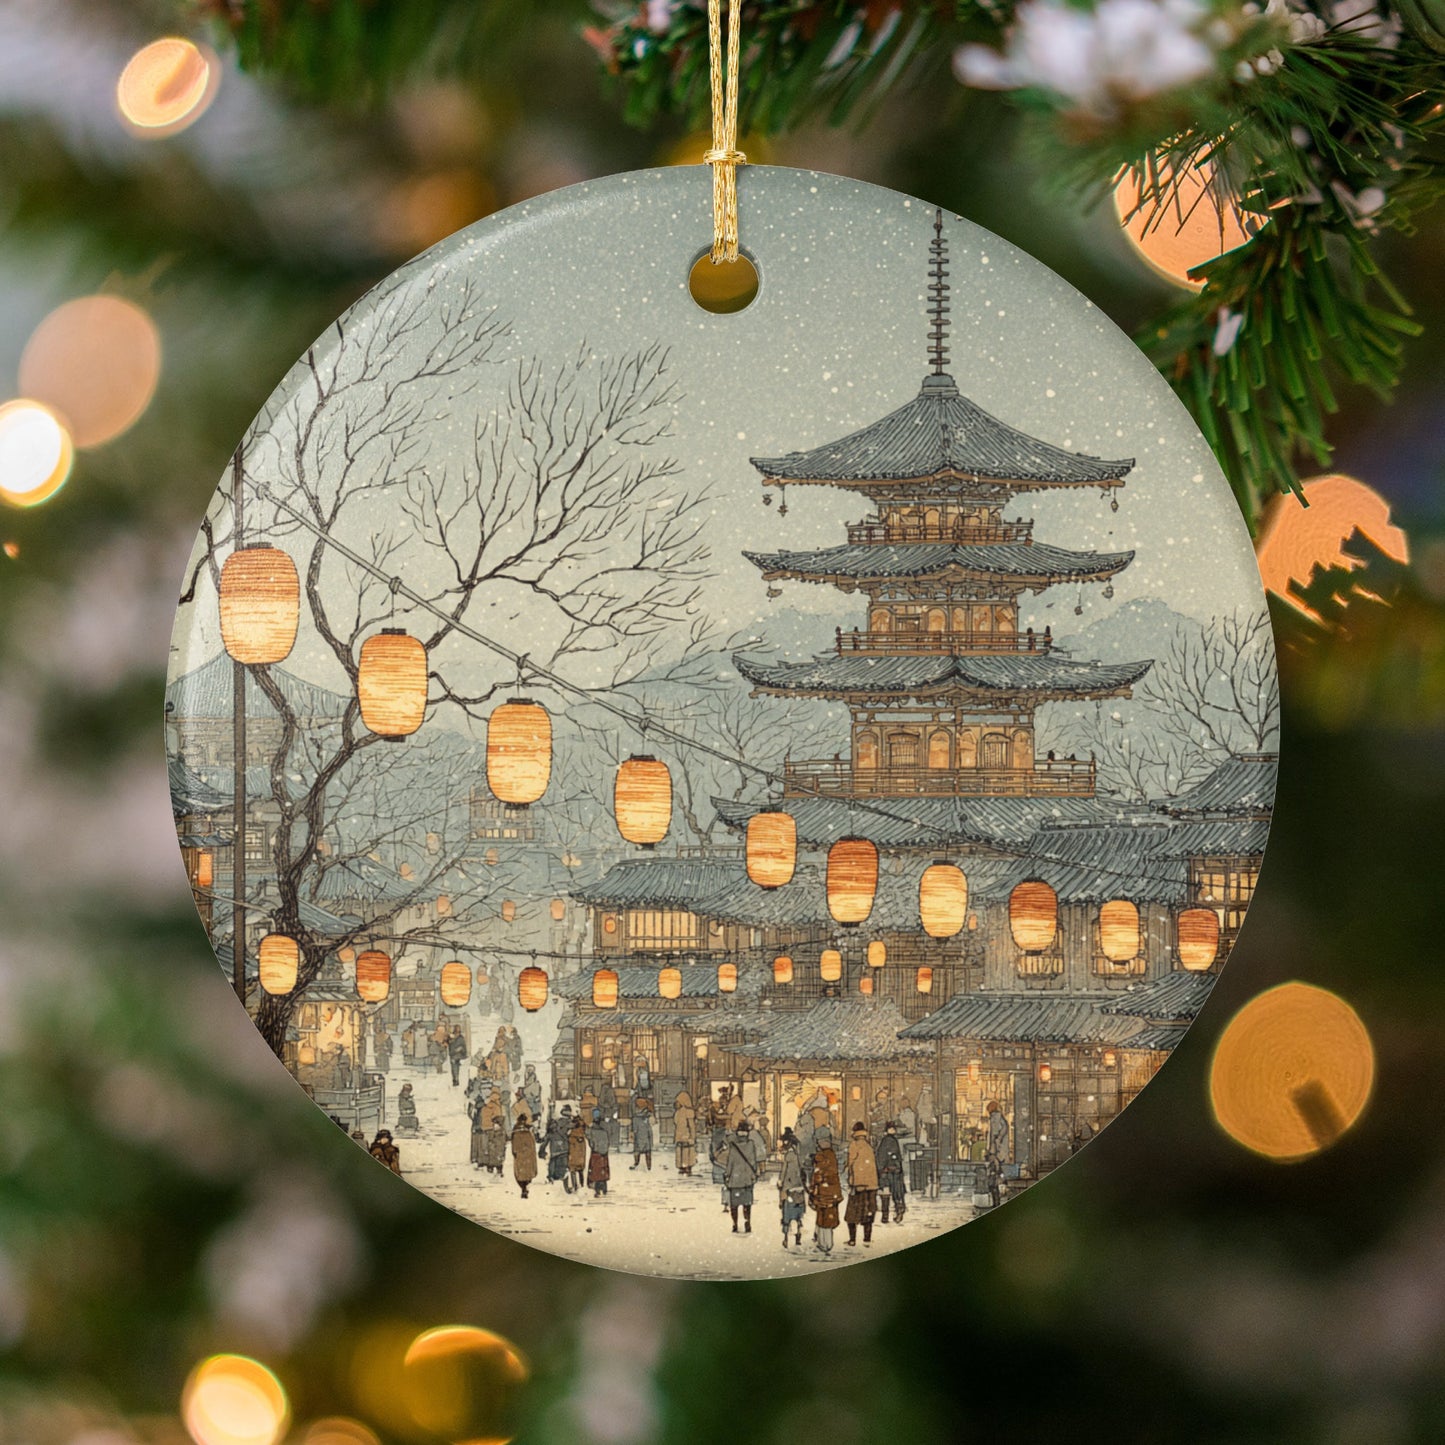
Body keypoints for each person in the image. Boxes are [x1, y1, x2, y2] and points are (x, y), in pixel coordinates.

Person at [715, 1118, 766, 1234]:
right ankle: (747, 1223)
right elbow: (753, 1162)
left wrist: (727, 1175)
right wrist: (754, 1174)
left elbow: (730, 1163)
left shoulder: (734, 1146)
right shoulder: (751, 1145)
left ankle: (735, 1224)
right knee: (747, 1204)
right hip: (747, 1179)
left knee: (734, 1205)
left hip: (735, 1180)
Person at [808, 1126, 842, 1256]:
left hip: (824, 1192)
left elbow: (819, 1175)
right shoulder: (831, 1155)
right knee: (827, 1217)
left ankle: (825, 1244)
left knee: (824, 1218)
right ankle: (825, 1242)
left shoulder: (823, 1157)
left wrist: (814, 1185)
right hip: (831, 1191)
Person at [845, 1120, 879, 1247]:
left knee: (852, 1214)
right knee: (868, 1212)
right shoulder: (868, 1146)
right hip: (871, 1184)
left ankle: (852, 1239)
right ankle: (867, 1239)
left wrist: (850, 1178)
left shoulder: (854, 1145)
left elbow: (850, 1163)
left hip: (858, 1184)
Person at [777, 1127, 806, 1249]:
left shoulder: (789, 1155)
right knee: (798, 1212)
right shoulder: (799, 1154)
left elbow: (784, 1172)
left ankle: (785, 1237)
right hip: (799, 1187)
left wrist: (780, 1182)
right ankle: (798, 1234)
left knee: (787, 1214)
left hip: (789, 1187)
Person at [876, 1120, 907, 1225]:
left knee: (886, 1194)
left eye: (893, 1128)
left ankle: (886, 1216)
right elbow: (894, 1157)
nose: (892, 1130)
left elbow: (881, 1157)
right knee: (896, 1193)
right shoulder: (892, 1141)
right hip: (892, 1172)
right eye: (891, 1128)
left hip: (887, 1172)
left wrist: (881, 1169)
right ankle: (897, 1211)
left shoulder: (885, 1141)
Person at [542, 1106, 572, 1189]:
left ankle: (551, 1177)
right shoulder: (570, 1124)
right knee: (564, 1167)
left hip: (554, 1150)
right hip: (564, 1148)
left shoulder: (555, 1124)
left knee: (553, 1163)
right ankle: (565, 1184)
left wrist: (542, 1151)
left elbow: (546, 1139)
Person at [510, 1110, 538, 1199]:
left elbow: (514, 1145)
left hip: (520, 1155)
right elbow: (532, 1144)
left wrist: (515, 1153)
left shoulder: (515, 1131)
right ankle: (525, 1188)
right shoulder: (528, 1131)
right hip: (528, 1155)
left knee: (520, 1174)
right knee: (527, 1173)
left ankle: (523, 1188)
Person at [480, 1087, 507, 1175]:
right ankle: (498, 1166)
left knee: (490, 1147)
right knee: (498, 1148)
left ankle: (490, 1166)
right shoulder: (498, 1105)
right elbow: (499, 1117)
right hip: (495, 1128)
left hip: (486, 1128)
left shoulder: (487, 1105)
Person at [586, 1107, 611, 1198]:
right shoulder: (606, 1126)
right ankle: (604, 1188)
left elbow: (590, 1139)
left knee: (596, 1170)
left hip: (596, 1152)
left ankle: (597, 1188)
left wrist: (593, 1146)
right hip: (604, 1151)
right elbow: (609, 1137)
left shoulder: (592, 1128)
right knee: (603, 1169)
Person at [672, 1089, 697, 1175]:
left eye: (678, 1101)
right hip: (679, 1135)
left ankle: (687, 1167)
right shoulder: (678, 1112)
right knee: (680, 1152)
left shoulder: (689, 1112)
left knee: (687, 1152)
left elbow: (692, 1126)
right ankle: (681, 1167)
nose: (676, 1103)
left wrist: (692, 1137)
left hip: (687, 1135)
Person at [567, 1109, 589, 1193]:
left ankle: (575, 1186)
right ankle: (582, 1185)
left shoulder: (572, 1132)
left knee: (572, 1168)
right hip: (580, 1150)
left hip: (573, 1150)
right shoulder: (582, 1128)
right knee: (580, 1169)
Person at [630, 1095, 654, 1171]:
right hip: (645, 1136)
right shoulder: (647, 1115)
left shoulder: (636, 1117)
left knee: (638, 1150)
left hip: (640, 1136)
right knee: (647, 1151)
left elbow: (634, 1129)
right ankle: (647, 1166)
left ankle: (637, 1163)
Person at [598, 1078, 621, 1151]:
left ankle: (613, 1144)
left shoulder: (609, 1092)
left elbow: (614, 1105)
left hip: (611, 1116)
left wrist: (612, 1114)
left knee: (614, 1126)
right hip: (604, 1117)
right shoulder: (604, 1093)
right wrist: (605, 1116)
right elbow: (601, 1105)